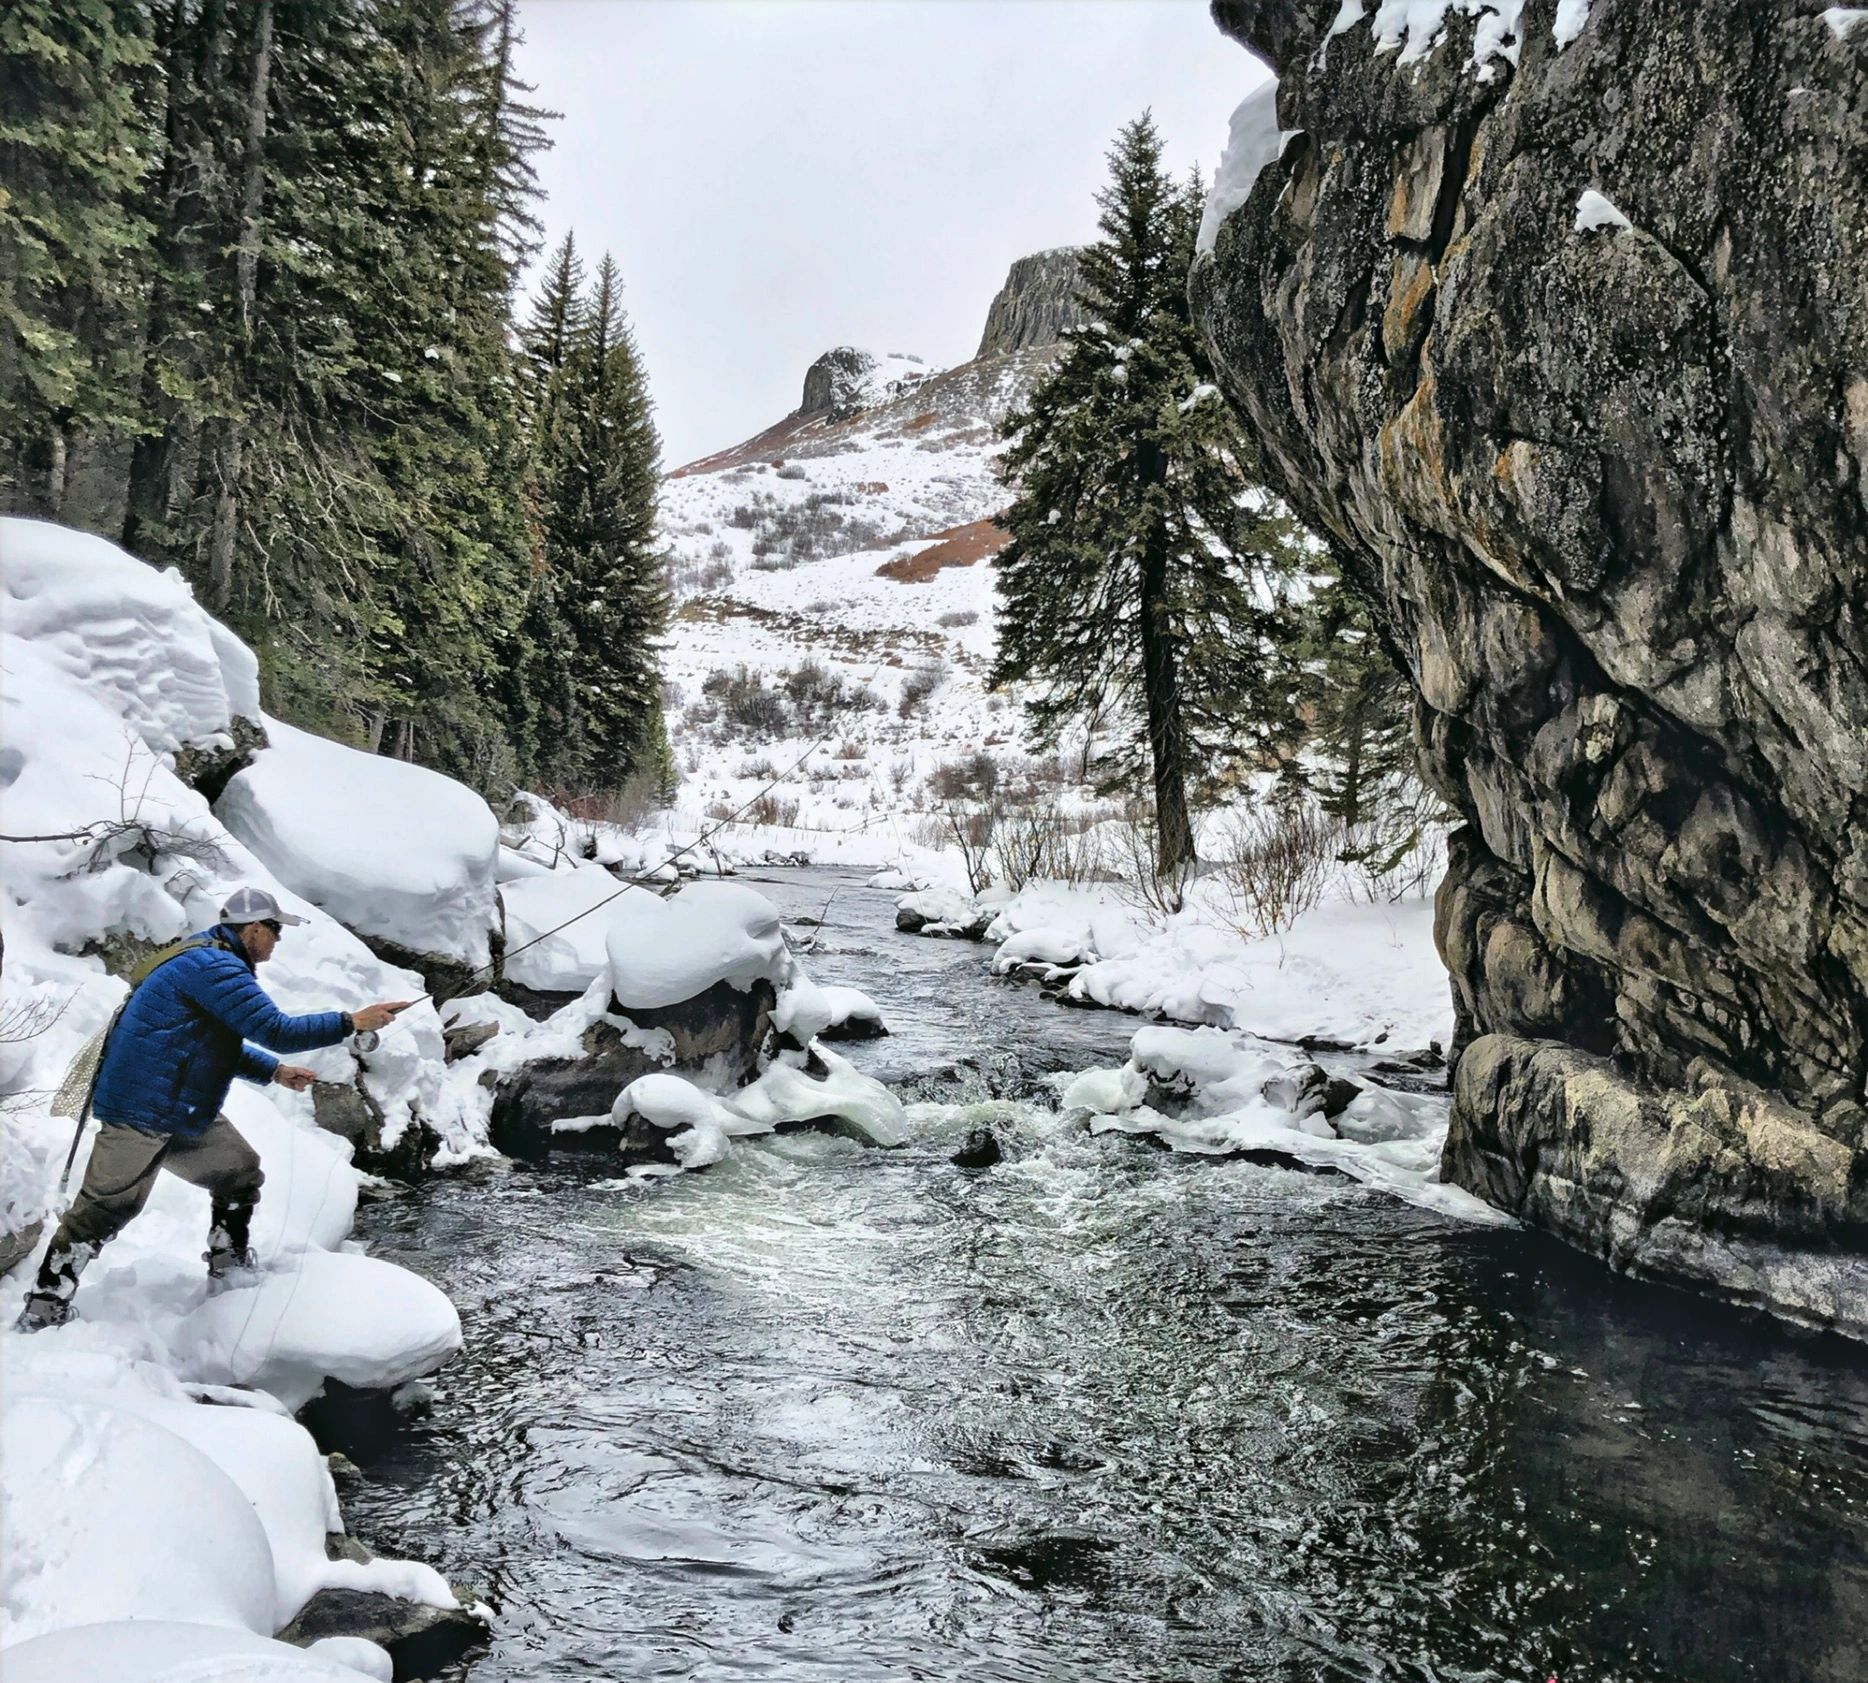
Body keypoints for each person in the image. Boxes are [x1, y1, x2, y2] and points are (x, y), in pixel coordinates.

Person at [15, 886, 414, 1332]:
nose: (277, 942)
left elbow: (211, 1042)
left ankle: (229, 1265)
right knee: (104, 1209)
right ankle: (43, 1308)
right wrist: (351, 1022)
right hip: (142, 1110)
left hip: (181, 1108)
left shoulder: (211, 962)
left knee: (240, 1173)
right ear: (256, 929)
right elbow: (277, 1030)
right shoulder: (215, 967)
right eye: (276, 932)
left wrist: (275, 1073)